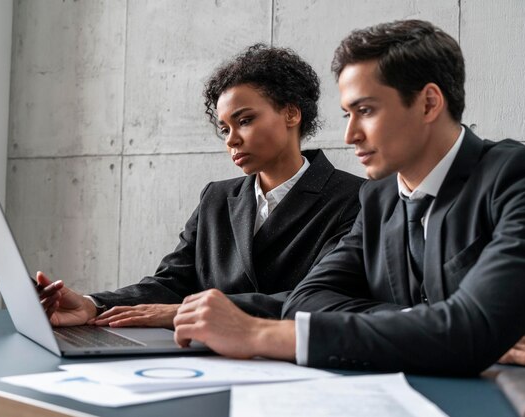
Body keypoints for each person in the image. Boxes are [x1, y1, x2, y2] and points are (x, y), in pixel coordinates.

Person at [172, 20, 525, 375]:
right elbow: (305, 301)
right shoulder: (378, 199)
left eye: (365, 110)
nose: (350, 134)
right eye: (346, 115)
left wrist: (256, 334)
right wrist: (434, 325)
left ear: (429, 103)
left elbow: (473, 328)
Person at [37, 44, 364, 328]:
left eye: (245, 120)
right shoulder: (217, 198)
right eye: (224, 128)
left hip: (294, 365)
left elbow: (317, 299)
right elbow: (171, 282)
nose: (232, 140)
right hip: (201, 360)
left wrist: (184, 313)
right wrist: (91, 304)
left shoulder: (355, 198)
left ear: (291, 113)